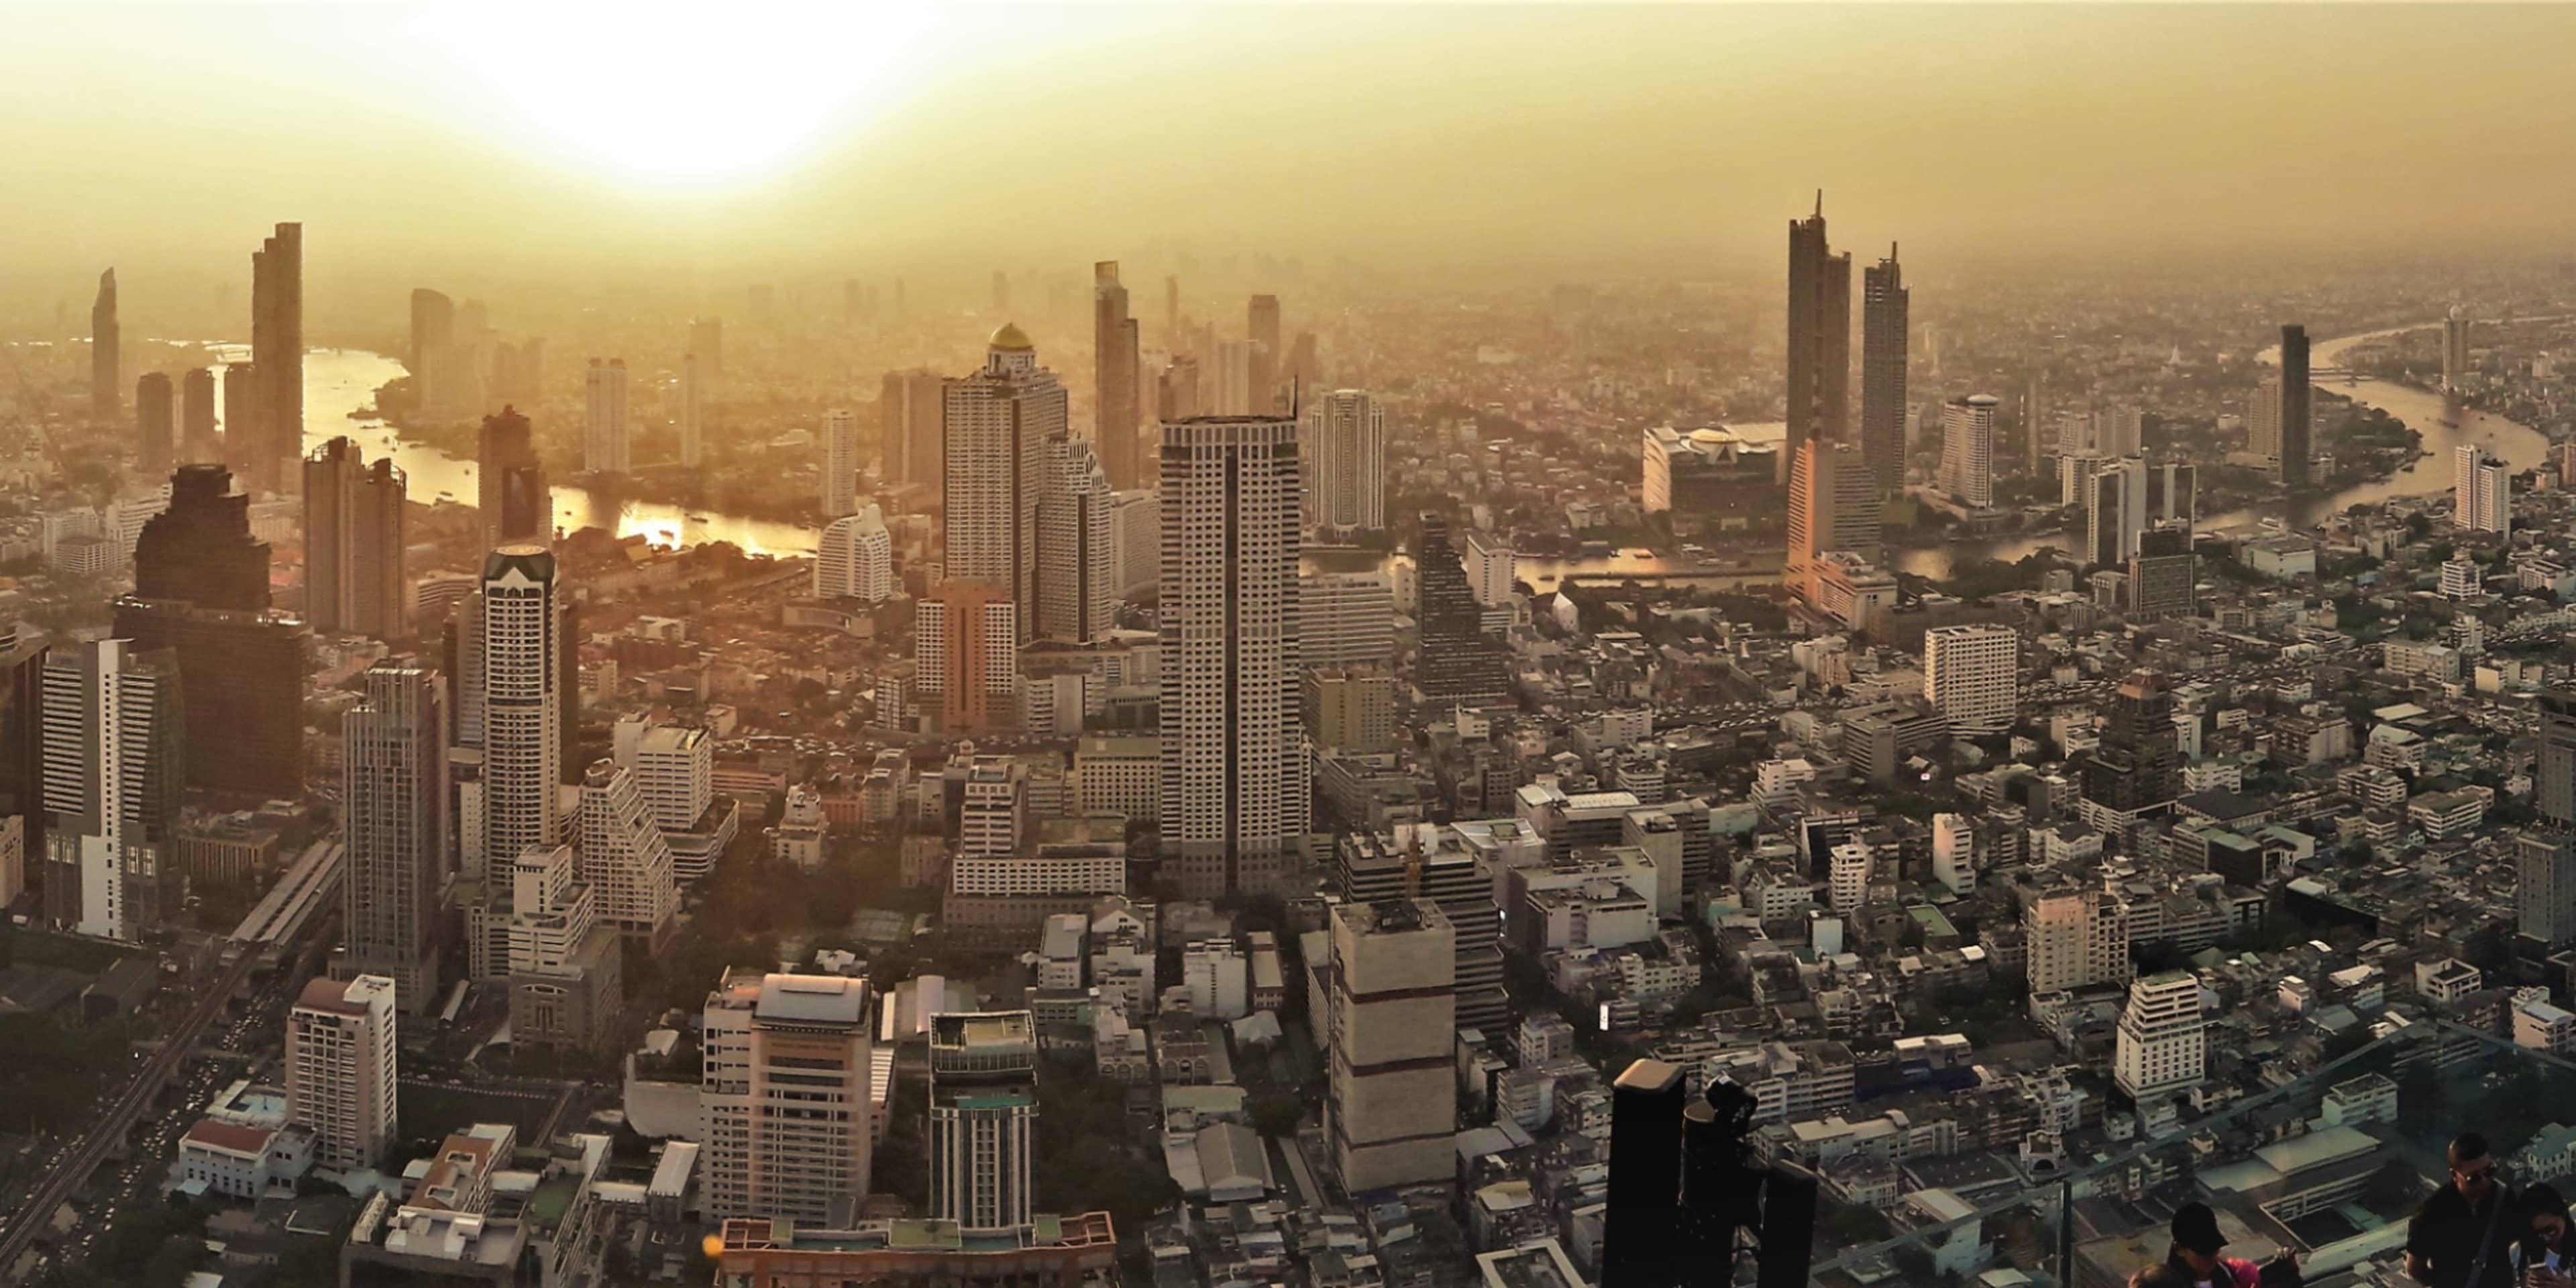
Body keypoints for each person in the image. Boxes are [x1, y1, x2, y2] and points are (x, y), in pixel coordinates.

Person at [2409, 1132, 2520, 1288]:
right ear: (2454, 1175)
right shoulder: (2432, 1212)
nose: (2484, 1182)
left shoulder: (2504, 1197)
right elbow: (2415, 1268)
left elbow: (2515, 1238)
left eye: (2489, 1171)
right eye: (2474, 1178)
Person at [2169, 1202, 2265, 1288]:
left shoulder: (2239, 1274)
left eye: (2215, 1249)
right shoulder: (2164, 1284)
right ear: (2179, 1249)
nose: (2212, 1256)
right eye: (2204, 1252)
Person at [2516, 1183, 2572, 1286]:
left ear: (2564, 1214)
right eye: (2538, 1234)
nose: (2546, 1238)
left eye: (2551, 1230)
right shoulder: (2530, 1249)